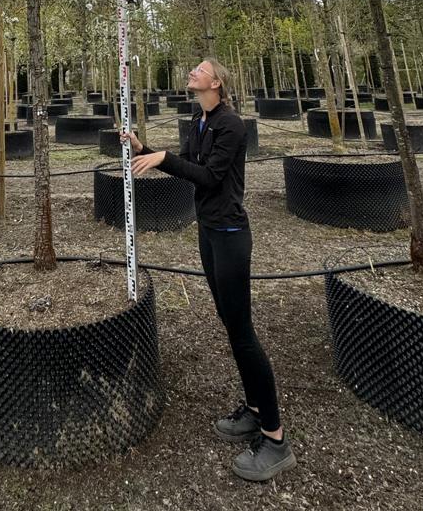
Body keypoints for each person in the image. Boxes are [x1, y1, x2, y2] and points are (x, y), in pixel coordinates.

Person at [122, 59, 297, 482]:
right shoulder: (200, 122)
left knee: (243, 333)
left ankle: (276, 440)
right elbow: (192, 167)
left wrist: (163, 158)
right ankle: (255, 412)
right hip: (209, 233)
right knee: (229, 323)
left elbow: (211, 177)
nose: (191, 73)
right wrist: (148, 151)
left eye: (199, 70)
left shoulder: (231, 124)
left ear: (216, 82)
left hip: (232, 235)